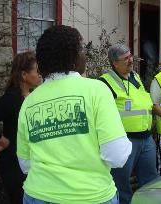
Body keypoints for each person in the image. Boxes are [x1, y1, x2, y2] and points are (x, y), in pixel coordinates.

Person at [17, 25, 132, 204]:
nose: (84, 54)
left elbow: (25, 163)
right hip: (90, 196)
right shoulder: (96, 90)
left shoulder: (29, 101)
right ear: (73, 55)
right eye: (81, 49)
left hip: (37, 194)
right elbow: (117, 156)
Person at [99, 44, 157, 204]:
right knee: (121, 182)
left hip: (146, 138)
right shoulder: (105, 82)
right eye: (125, 58)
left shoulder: (135, 76)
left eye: (130, 56)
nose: (130, 60)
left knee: (150, 179)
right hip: (125, 140)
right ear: (114, 63)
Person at [0, 51, 41, 204]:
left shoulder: (35, 96)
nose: (40, 74)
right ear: (24, 75)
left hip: (31, 164)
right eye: (36, 70)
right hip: (13, 165)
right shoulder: (12, 99)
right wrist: (2, 140)